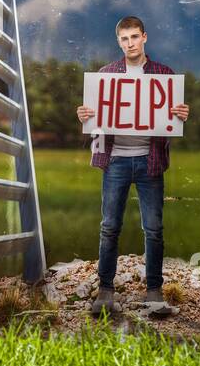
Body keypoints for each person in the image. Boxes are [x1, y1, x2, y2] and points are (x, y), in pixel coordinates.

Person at [75, 16, 190, 316]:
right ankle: (105, 292)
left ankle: (154, 292)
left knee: (153, 229)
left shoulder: (164, 75)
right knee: (109, 227)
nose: (130, 43)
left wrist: (180, 114)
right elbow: (95, 124)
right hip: (116, 161)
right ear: (119, 42)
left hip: (149, 161)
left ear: (144, 38)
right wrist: (85, 116)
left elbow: (171, 122)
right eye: (124, 39)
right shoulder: (105, 75)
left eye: (135, 37)